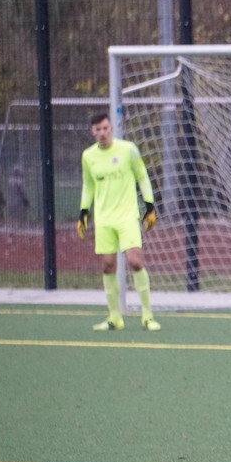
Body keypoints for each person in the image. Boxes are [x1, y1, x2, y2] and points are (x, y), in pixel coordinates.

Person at [78, 111, 161, 331]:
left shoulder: (128, 150)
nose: (102, 133)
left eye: (105, 128)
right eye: (98, 129)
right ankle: (115, 317)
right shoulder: (88, 156)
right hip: (104, 219)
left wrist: (149, 206)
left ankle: (147, 316)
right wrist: (83, 212)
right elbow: (88, 185)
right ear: (93, 132)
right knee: (107, 264)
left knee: (135, 261)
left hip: (127, 216)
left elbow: (142, 177)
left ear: (111, 129)